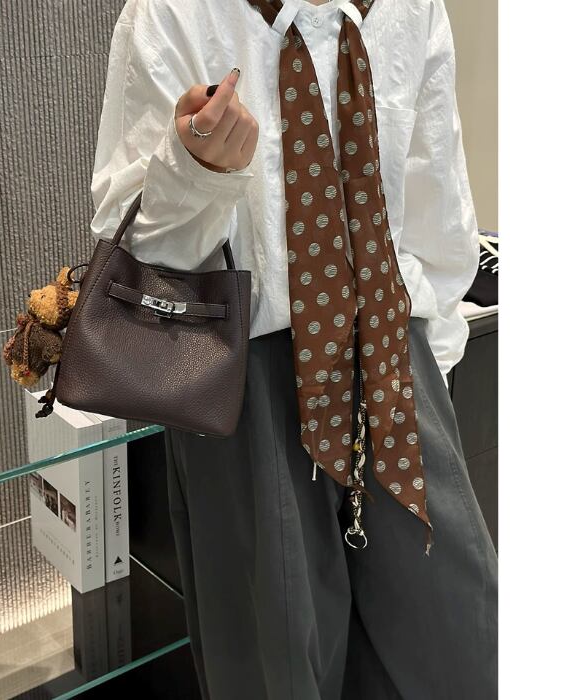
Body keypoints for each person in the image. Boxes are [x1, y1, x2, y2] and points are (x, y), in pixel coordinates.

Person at [90, 0, 498, 698]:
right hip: (244, 380)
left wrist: (426, 364)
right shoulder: (175, 12)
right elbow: (130, 247)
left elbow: (438, 209)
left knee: (458, 641)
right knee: (271, 667)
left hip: (395, 359)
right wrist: (195, 173)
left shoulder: (411, 8)